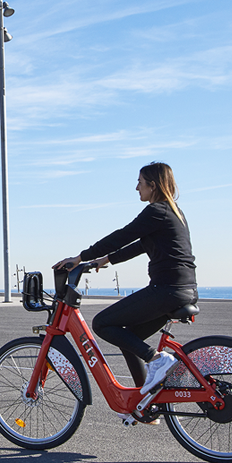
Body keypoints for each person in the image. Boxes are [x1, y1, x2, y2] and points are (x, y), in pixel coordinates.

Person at [53, 162, 197, 397]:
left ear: (152, 185)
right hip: (183, 289)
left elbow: (123, 235)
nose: (136, 188)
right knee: (129, 337)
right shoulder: (174, 212)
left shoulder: (157, 210)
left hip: (167, 290)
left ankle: (158, 360)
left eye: (140, 183)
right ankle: (146, 401)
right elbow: (141, 244)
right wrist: (106, 259)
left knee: (102, 323)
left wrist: (81, 257)